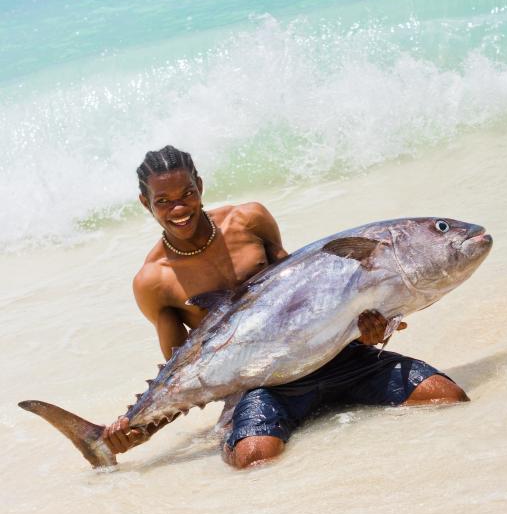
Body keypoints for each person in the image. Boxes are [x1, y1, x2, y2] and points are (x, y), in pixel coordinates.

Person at [104, 146, 467, 468]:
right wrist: (139, 429)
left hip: (335, 356)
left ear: (199, 185)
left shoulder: (249, 219)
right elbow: (184, 369)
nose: (179, 208)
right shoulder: (153, 281)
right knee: (255, 459)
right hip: (266, 386)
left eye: (186, 193)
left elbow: (309, 290)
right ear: (145, 202)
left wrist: (372, 331)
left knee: (447, 396)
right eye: (163, 201)